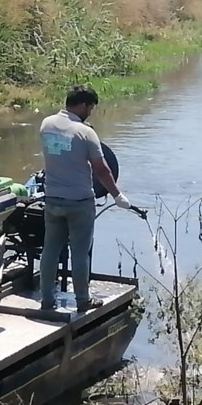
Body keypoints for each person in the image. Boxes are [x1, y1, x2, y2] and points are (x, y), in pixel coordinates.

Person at [38, 85, 133, 312]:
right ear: (83, 104)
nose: (90, 111)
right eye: (90, 107)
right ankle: (83, 301)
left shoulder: (46, 124)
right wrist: (117, 195)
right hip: (79, 202)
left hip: (52, 199)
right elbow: (102, 170)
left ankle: (46, 300)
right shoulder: (86, 133)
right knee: (79, 253)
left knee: (50, 250)